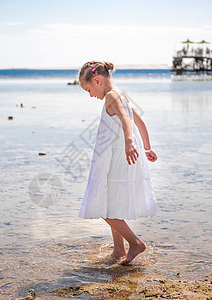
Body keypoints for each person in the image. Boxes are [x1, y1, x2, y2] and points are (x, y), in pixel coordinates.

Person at [77, 61, 158, 265]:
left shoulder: (112, 96)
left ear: (97, 80)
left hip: (116, 157)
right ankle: (118, 249)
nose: (90, 95)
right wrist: (146, 148)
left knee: (103, 206)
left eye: (89, 89)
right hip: (121, 155)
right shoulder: (121, 94)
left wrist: (129, 141)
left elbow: (126, 119)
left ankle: (135, 243)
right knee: (112, 203)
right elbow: (140, 122)